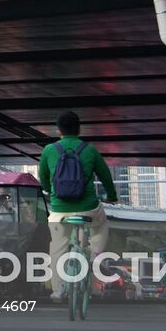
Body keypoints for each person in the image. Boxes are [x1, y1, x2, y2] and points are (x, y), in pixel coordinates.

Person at [38, 111, 118, 299]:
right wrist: (111, 196)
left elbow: (43, 178)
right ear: (79, 129)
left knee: (57, 247)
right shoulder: (89, 150)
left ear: (59, 130)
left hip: (59, 210)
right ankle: (93, 254)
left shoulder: (49, 150)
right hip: (88, 208)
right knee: (102, 224)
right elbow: (106, 176)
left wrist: (51, 192)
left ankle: (58, 290)